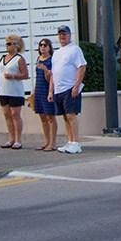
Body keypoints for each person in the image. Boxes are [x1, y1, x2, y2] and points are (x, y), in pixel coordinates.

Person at [48, 25, 86, 154]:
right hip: (59, 90)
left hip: (70, 88)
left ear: (69, 35)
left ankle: (76, 142)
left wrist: (76, 85)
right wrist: (51, 91)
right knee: (65, 116)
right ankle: (70, 141)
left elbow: (82, 67)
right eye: (60, 34)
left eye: (64, 34)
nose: (62, 36)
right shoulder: (56, 53)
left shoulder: (75, 50)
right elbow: (53, 73)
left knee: (71, 115)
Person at [0, 34, 27, 150]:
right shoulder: (3, 58)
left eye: (9, 44)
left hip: (15, 91)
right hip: (3, 90)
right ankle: (11, 138)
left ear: (16, 45)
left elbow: (25, 75)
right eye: (6, 44)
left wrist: (13, 76)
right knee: (7, 114)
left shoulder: (19, 59)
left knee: (15, 114)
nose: (7, 46)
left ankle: (18, 140)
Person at [32, 38, 58, 151]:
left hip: (47, 90)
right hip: (39, 90)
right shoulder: (38, 59)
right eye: (41, 45)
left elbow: (51, 78)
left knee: (50, 117)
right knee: (42, 117)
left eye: (45, 45)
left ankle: (52, 143)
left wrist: (46, 70)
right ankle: (46, 141)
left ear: (49, 47)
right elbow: (37, 77)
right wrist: (33, 91)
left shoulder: (51, 60)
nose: (43, 47)